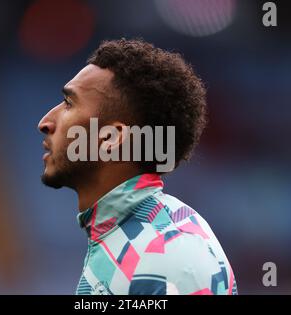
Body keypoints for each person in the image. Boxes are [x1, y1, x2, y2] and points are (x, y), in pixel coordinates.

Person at [38, 38, 237, 295]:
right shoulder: (125, 235)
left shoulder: (172, 259)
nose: (45, 122)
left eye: (69, 103)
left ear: (111, 137)